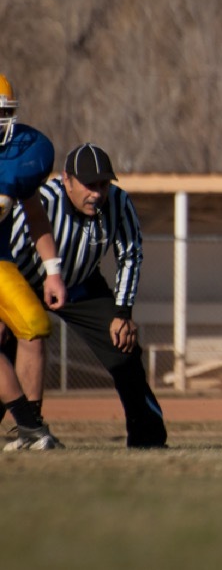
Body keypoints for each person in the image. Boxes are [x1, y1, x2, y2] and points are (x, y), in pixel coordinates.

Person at [3, 142, 167, 448]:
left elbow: (130, 256)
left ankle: (147, 437)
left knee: (124, 347)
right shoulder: (43, 199)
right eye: (89, 185)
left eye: (103, 185)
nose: (97, 193)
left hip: (80, 284)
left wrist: (123, 313)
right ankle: (30, 430)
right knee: (5, 350)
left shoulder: (118, 202)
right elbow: (7, 253)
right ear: (67, 180)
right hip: (25, 282)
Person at [0, 73, 67, 450]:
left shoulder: (21, 157)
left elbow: (36, 215)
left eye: (4, 113)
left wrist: (52, 271)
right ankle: (29, 427)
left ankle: (30, 428)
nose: (1, 122)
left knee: (34, 325)